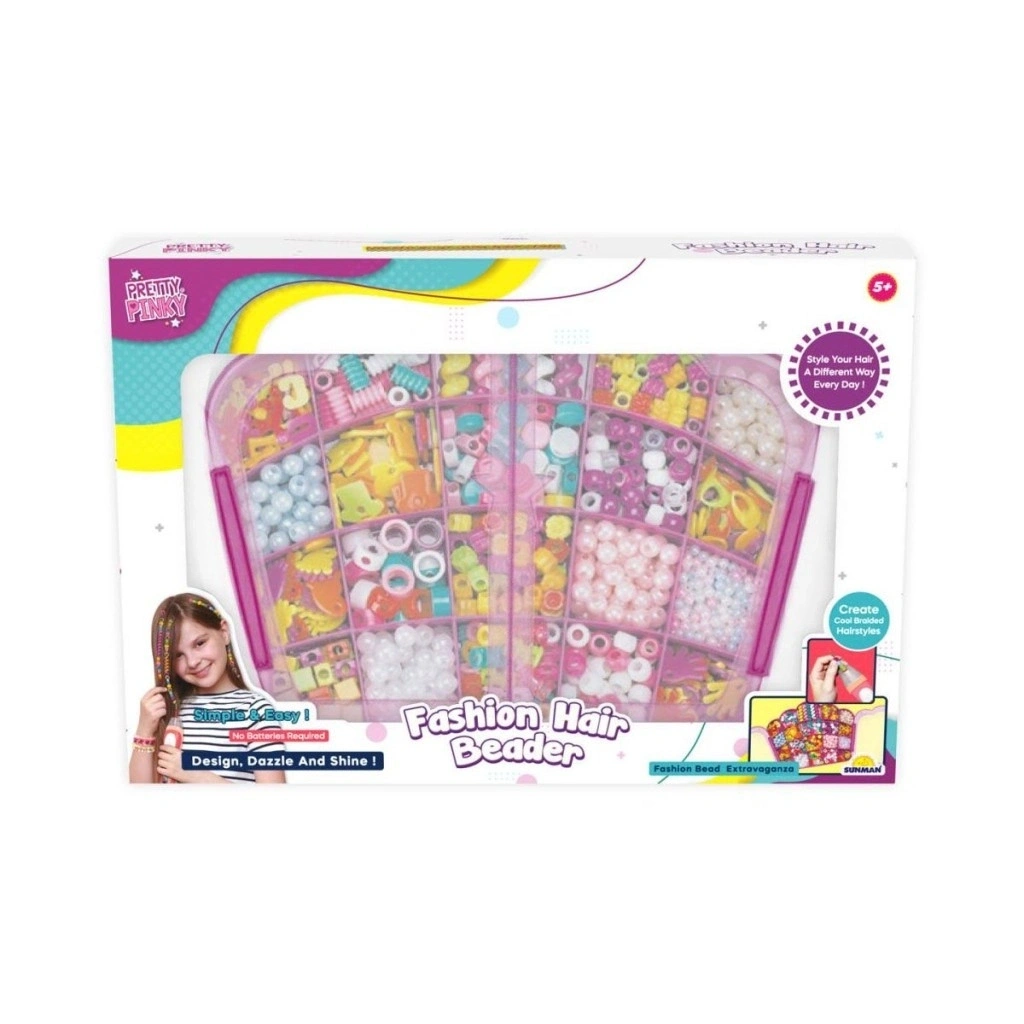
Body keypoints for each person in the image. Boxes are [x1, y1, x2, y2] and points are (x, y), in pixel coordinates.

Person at [129, 593, 286, 784]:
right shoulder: (169, 710)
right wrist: (144, 729)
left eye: (200, 643)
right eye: (178, 655)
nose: (193, 661)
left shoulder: (256, 711)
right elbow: (140, 793)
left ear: (224, 632)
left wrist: (195, 774)